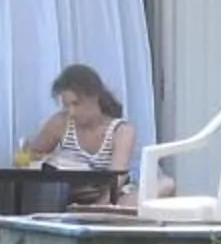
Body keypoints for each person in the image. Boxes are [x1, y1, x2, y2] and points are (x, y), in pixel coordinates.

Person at [21, 63, 136, 203]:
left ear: (94, 97)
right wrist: (44, 162)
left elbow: (118, 177)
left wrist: (99, 207)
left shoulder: (121, 131)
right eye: (66, 105)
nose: (71, 112)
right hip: (71, 196)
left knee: (164, 185)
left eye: (76, 104)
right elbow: (27, 156)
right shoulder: (61, 123)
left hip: (111, 197)